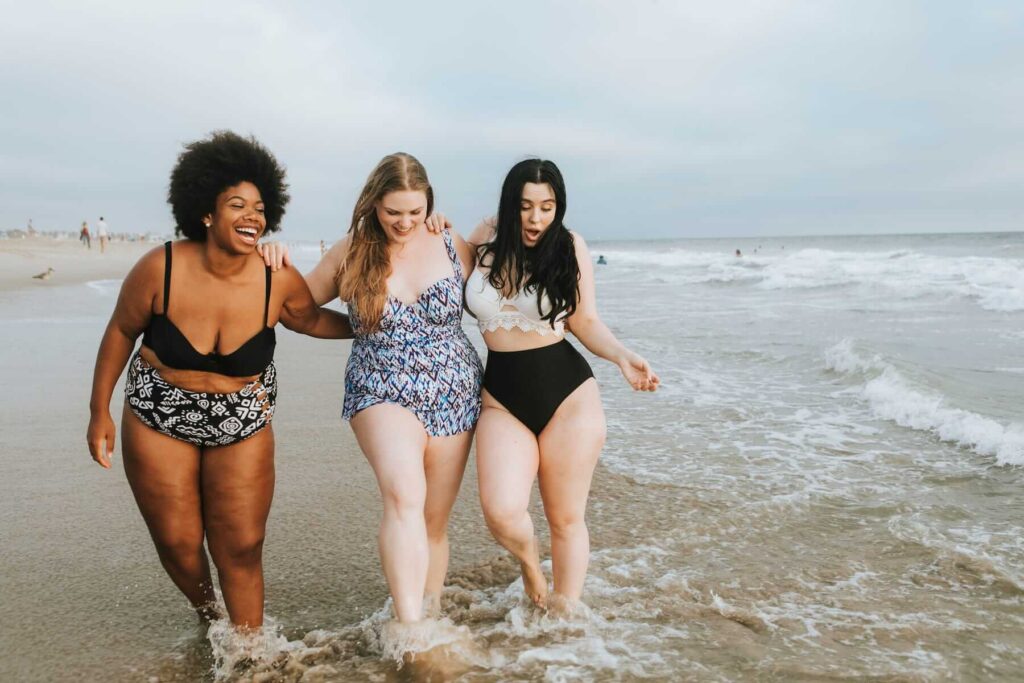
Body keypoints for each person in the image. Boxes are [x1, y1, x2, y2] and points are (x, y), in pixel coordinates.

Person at [86, 131, 352, 631]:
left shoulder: (277, 279)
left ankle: (248, 650)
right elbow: (121, 331)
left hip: (242, 418)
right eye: (237, 205)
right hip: (157, 413)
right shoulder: (159, 268)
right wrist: (98, 410)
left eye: (259, 207)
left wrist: (372, 325)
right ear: (206, 213)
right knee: (178, 543)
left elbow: (312, 320)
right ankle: (212, 618)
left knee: (242, 544)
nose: (252, 216)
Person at [263, 153, 483, 625]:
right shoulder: (351, 250)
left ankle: (431, 612)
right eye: (392, 212)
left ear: (429, 204)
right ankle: (410, 631)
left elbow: (504, 280)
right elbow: (297, 308)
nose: (404, 222)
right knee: (404, 495)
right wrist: (276, 261)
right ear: (373, 205)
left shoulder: (450, 242)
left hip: (455, 388)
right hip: (378, 385)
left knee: (433, 523)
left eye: (414, 211)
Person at [432, 159, 658, 611]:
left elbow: (585, 320)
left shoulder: (569, 245)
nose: (536, 219)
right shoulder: (487, 238)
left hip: (567, 395)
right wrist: (435, 225)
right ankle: (531, 567)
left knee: (566, 517)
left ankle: (565, 619)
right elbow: (437, 257)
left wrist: (621, 356)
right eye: (526, 206)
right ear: (509, 205)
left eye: (547, 207)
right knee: (501, 510)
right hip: (501, 398)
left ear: (559, 207)